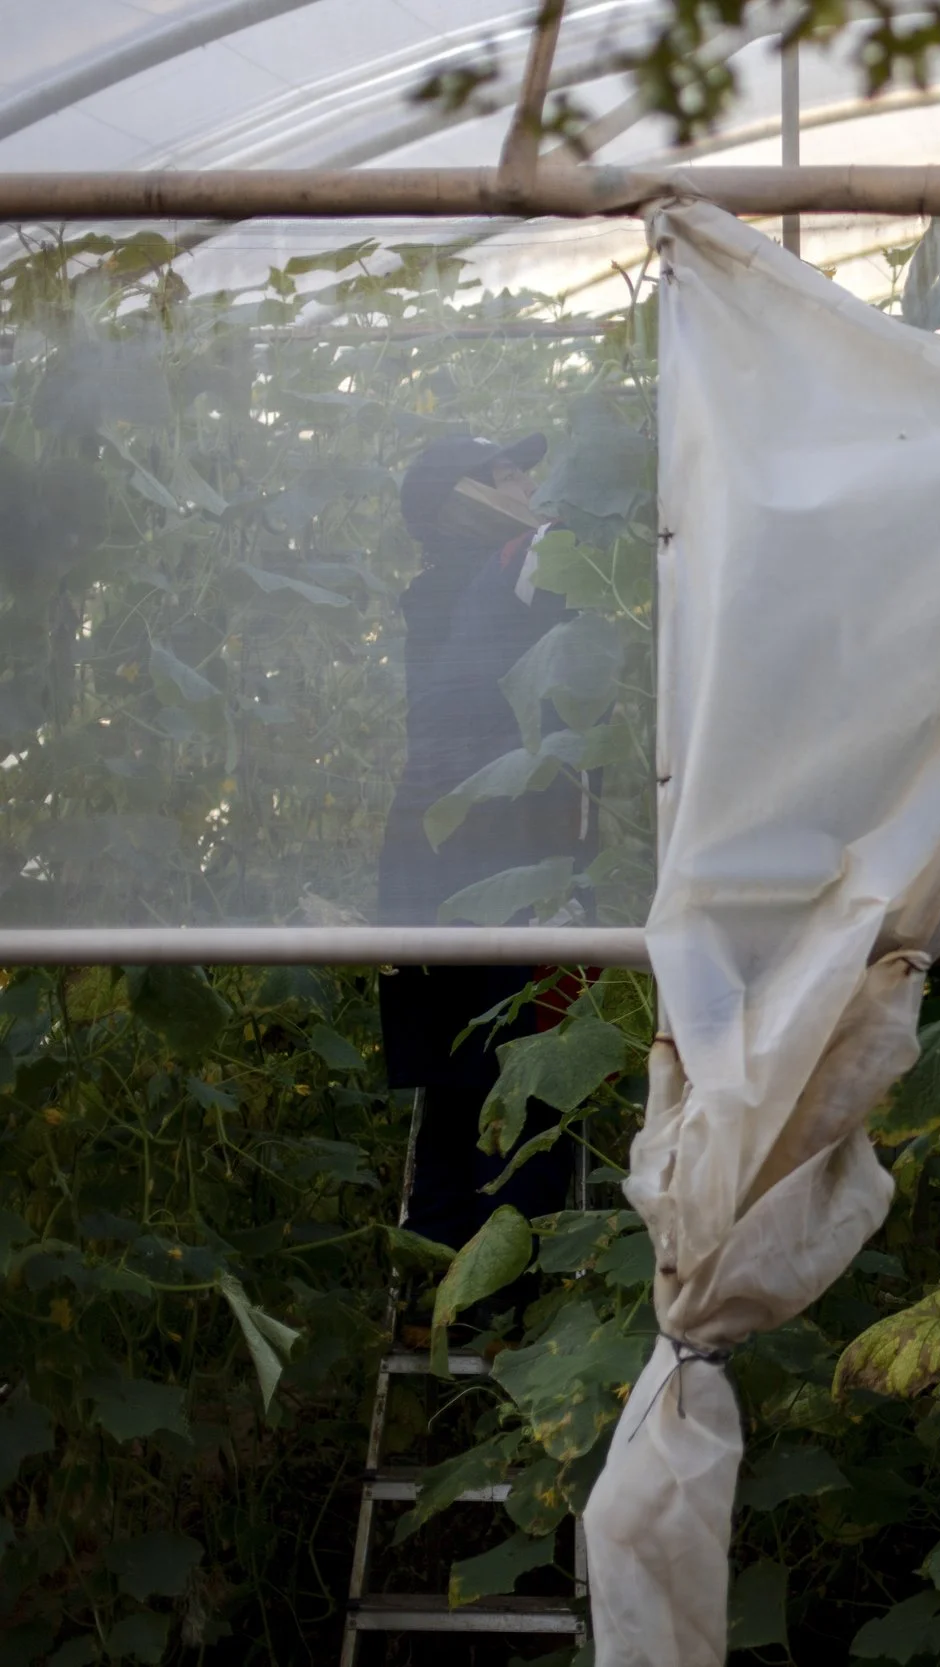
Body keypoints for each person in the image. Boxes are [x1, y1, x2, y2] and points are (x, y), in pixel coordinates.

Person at [379, 432, 586, 1249]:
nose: (527, 481)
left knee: (465, 1085)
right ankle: (510, 1312)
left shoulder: (455, 590)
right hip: (493, 868)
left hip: (446, 871)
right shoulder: (496, 577)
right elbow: (562, 552)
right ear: (458, 505)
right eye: (505, 473)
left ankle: (445, 1288)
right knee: (520, 1082)